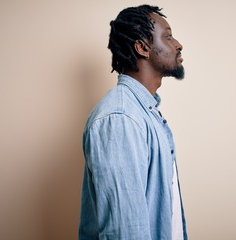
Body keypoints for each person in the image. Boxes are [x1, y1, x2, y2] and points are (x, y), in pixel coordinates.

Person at [79, 4, 187, 240]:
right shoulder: (121, 119)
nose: (178, 44)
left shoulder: (144, 112)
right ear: (142, 47)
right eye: (167, 36)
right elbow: (124, 231)